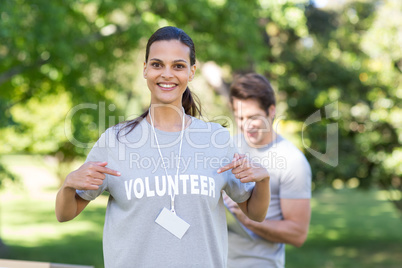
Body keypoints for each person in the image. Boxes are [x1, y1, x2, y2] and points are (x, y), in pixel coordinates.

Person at [55, 27, 271, 268]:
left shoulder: (216, 140)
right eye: (157, 64)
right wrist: (67, 185)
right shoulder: (115, 141)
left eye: (178, 66)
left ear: (191, 72)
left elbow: (255, 213)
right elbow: (65, 214)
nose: (167, 74)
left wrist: (263, 182)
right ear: (145, 69)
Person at [224, 73, 312, 268]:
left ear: (271, 111)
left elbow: (297, 234)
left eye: (253, 117)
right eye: (240, 117)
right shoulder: (229, 147)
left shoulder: (292, 161)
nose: (246, 125)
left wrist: (244, 217)